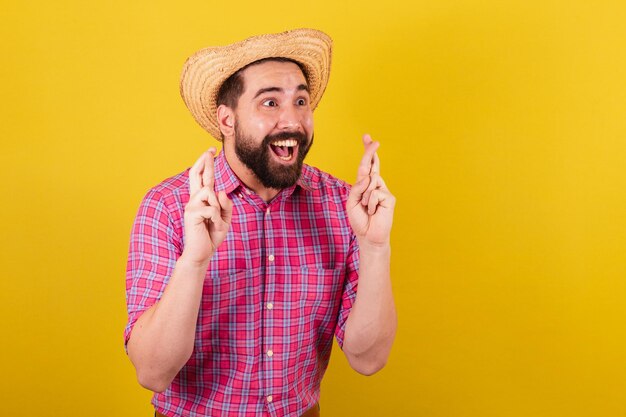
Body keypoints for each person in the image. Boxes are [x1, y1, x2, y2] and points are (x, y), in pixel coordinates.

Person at [124, 28, 397, 417]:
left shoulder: (343, 206)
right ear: (227, 119)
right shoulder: (167, 207)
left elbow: (368, 359)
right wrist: (195, 261)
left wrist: (375, 248)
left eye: (301, 101)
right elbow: (152, 372)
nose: (293, 120)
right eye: (270, 102)